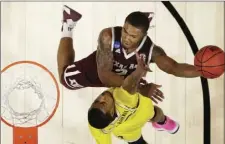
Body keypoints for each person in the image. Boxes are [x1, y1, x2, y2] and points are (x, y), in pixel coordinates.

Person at [57, 5, 202, 103]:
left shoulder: (151, 50)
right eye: (125, 31)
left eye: (133, 36)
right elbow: (105, 76)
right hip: (97, 69)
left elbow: (174, 68)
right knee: (65, 79)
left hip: (123, 78)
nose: (126, 37)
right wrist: (139, 88)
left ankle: (141, 21)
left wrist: (203, 71)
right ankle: (68, 23)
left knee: (131, 99)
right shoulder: (108, 37)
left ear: (144, 35)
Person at [87, 52, 179, 144]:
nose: (101, 97)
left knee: (155, 117)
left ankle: (162, 122)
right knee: (153, 119)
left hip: (133, 120)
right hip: (134, 122)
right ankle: (162, 122)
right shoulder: (120, 100)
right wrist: (140, 70)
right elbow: (130, 84)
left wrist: (139, 73)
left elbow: (130, 84)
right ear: (111, 113)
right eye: (103, 103)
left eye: (96, 101)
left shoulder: (98, 126)